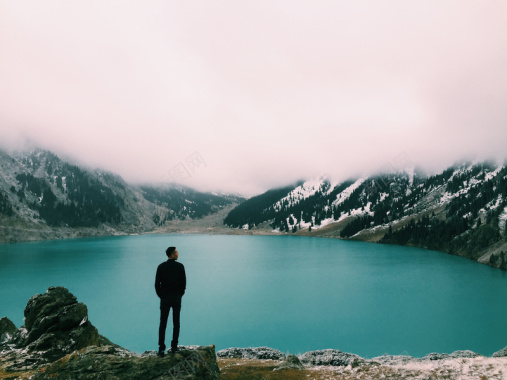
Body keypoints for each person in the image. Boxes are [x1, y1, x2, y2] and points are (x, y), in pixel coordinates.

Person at [155, 246, 186, 356]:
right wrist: (179, 295)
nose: (178, 254)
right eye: (177, 252)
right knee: (176, 323)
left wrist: (162, 296)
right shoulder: (180, 266)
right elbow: (183, 284)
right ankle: (174, 347)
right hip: (176, 298)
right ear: (172, 254)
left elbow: (157, 285)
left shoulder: (161, 266)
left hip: (165, 299)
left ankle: (161, 348)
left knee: (163, 323)